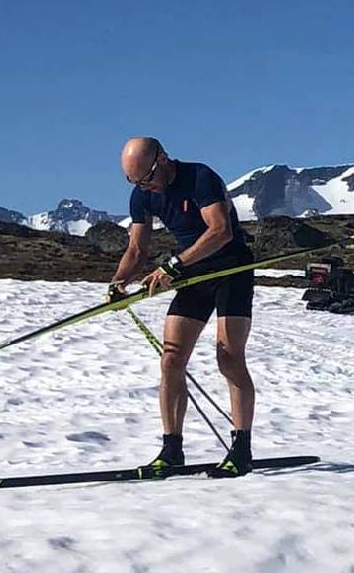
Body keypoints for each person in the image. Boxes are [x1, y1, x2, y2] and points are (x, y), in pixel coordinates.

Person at [110, 137, 261, 478]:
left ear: (162, 158)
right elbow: (137, 248)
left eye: (146, 178)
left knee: (229, 356)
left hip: (230, 270)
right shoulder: (142, 194)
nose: (145, 187)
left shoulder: (200, 178)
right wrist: (118, 282)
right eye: (136, 183)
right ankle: (171, 449)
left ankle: (241, 449)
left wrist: (174, 265)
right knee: (171, 360)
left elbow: (220, 231)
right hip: (192, 274)